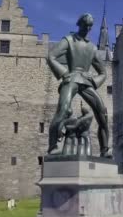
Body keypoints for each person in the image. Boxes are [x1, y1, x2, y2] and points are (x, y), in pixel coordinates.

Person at [47, 13, 110, 157]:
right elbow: (51, 56)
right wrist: (64, 73)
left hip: (86, 82)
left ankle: (105, 149)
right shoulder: (68, 40)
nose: (87, 28)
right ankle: (52, 146)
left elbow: (103, 72)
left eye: (90, 26)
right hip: (71, 78)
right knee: (62, 109)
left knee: (102, 112)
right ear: (79, 24)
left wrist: (94, 81)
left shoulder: (92, 48)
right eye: (85, 25)